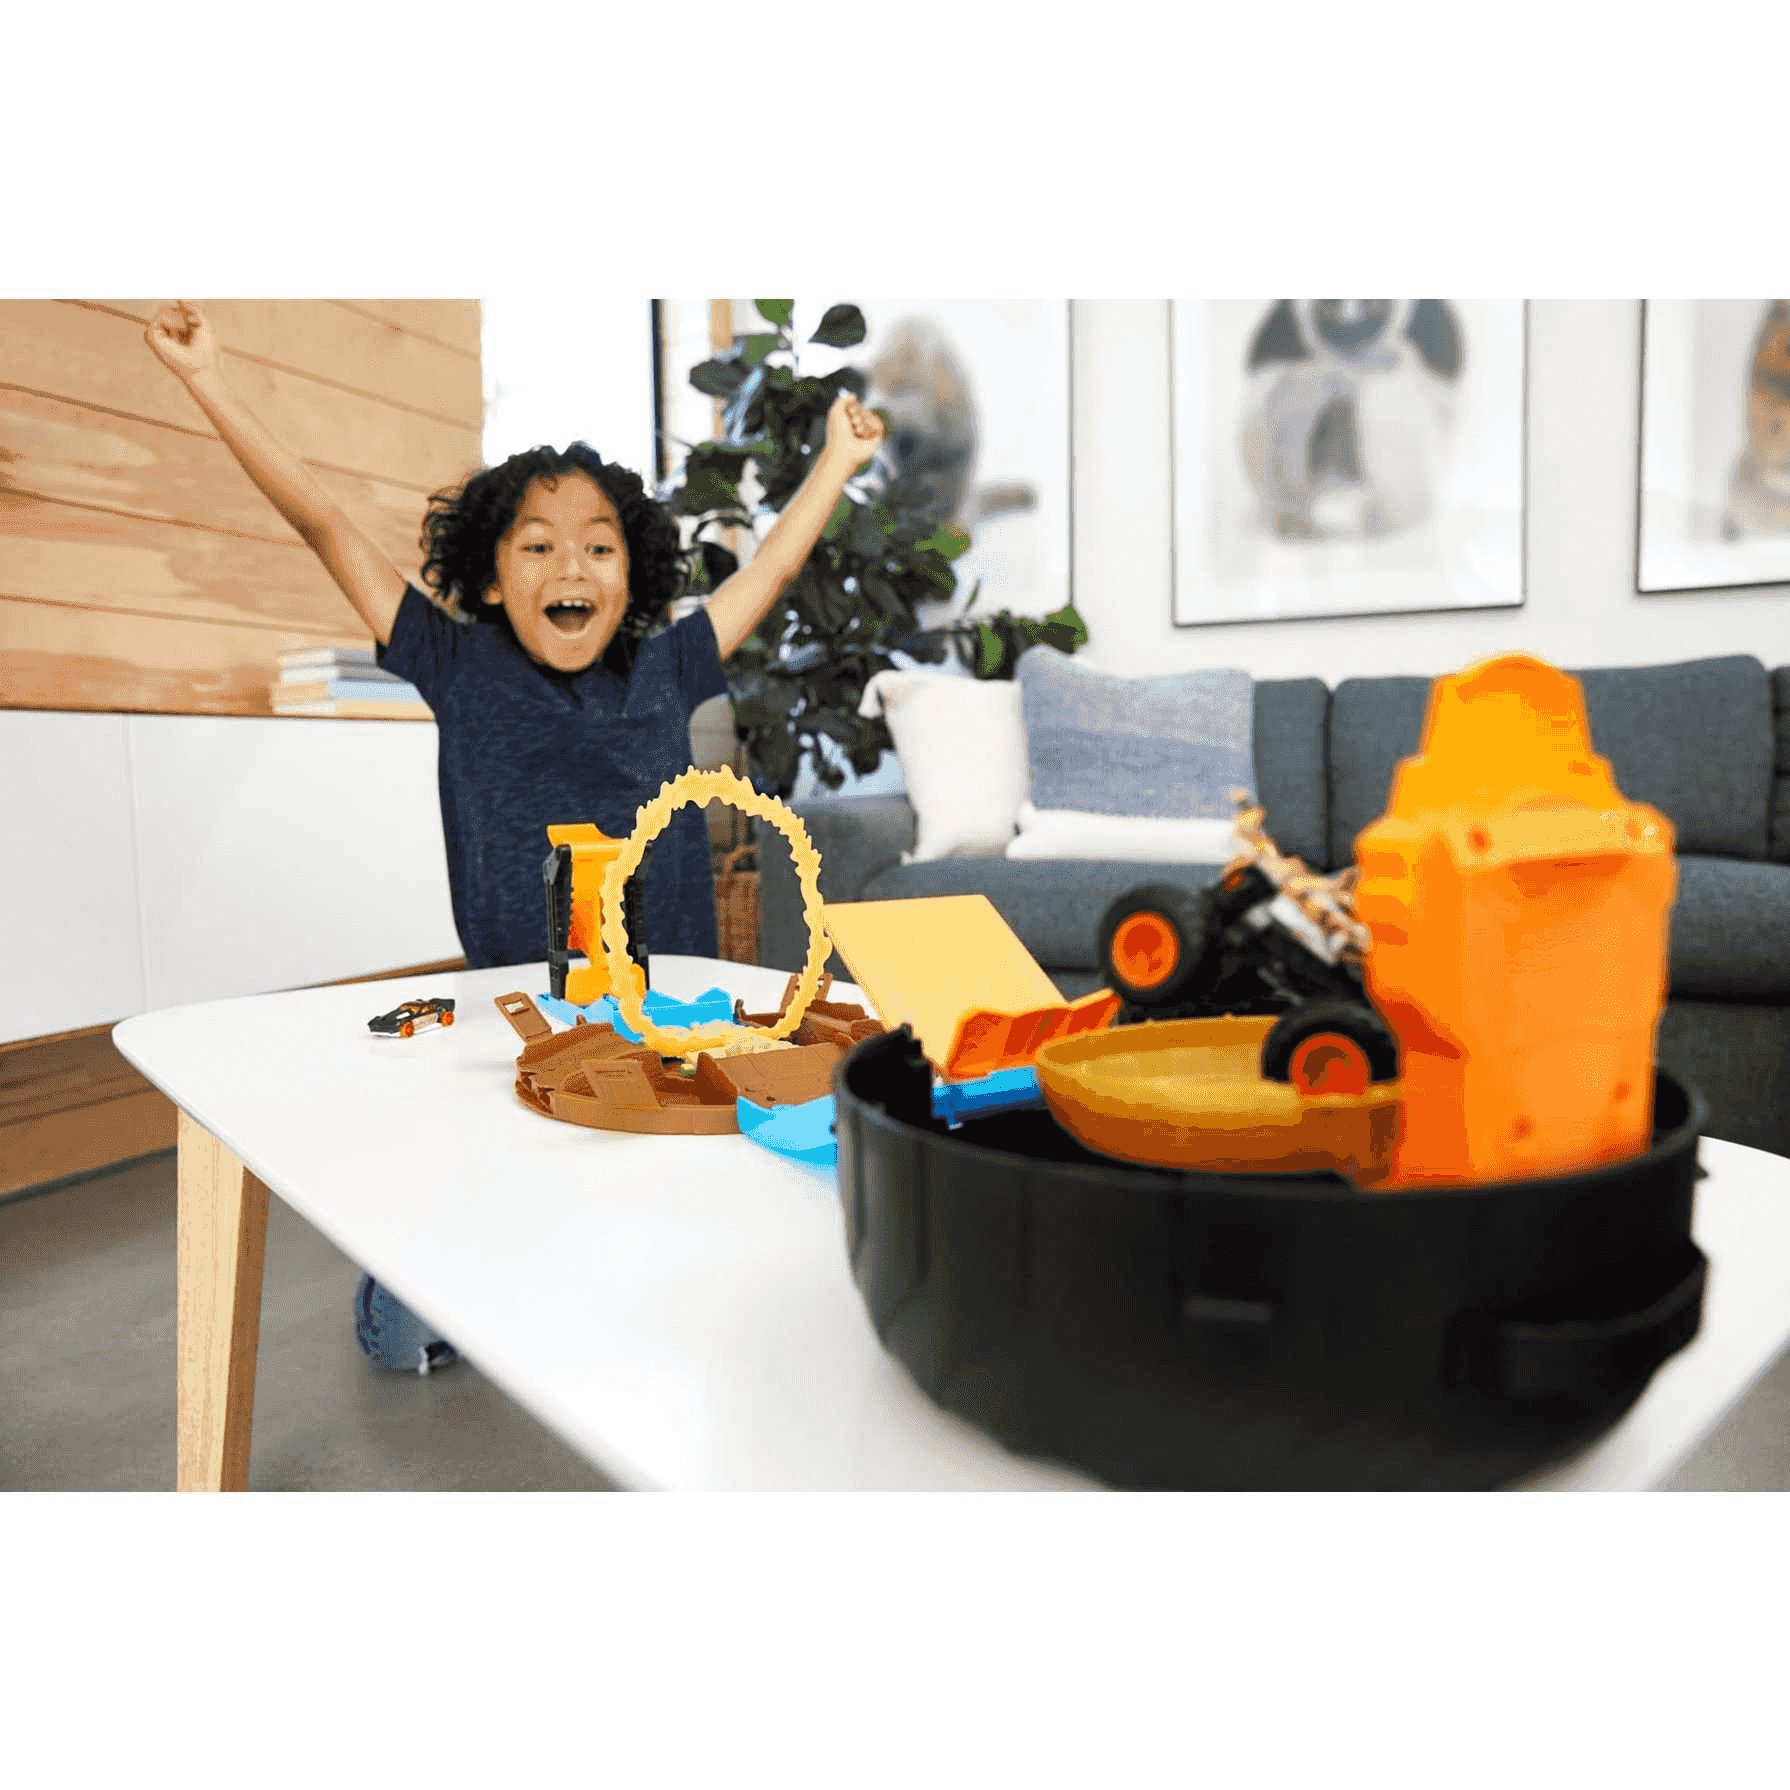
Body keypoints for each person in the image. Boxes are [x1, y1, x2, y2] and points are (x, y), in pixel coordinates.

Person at [144, 300, 885, 1372]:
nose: (569, 566)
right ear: (493, 579)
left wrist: (835, 462)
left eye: (597, 547)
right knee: (458, 1281)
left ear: (631, 577)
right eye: (537, 546)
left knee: (697, 1214)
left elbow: (765, 569)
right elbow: (325, 526)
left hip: (671, 1009)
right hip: (522, 1020)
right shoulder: (454, 662)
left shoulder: (668, 665)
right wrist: (207, 377)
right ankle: (421, 1272)